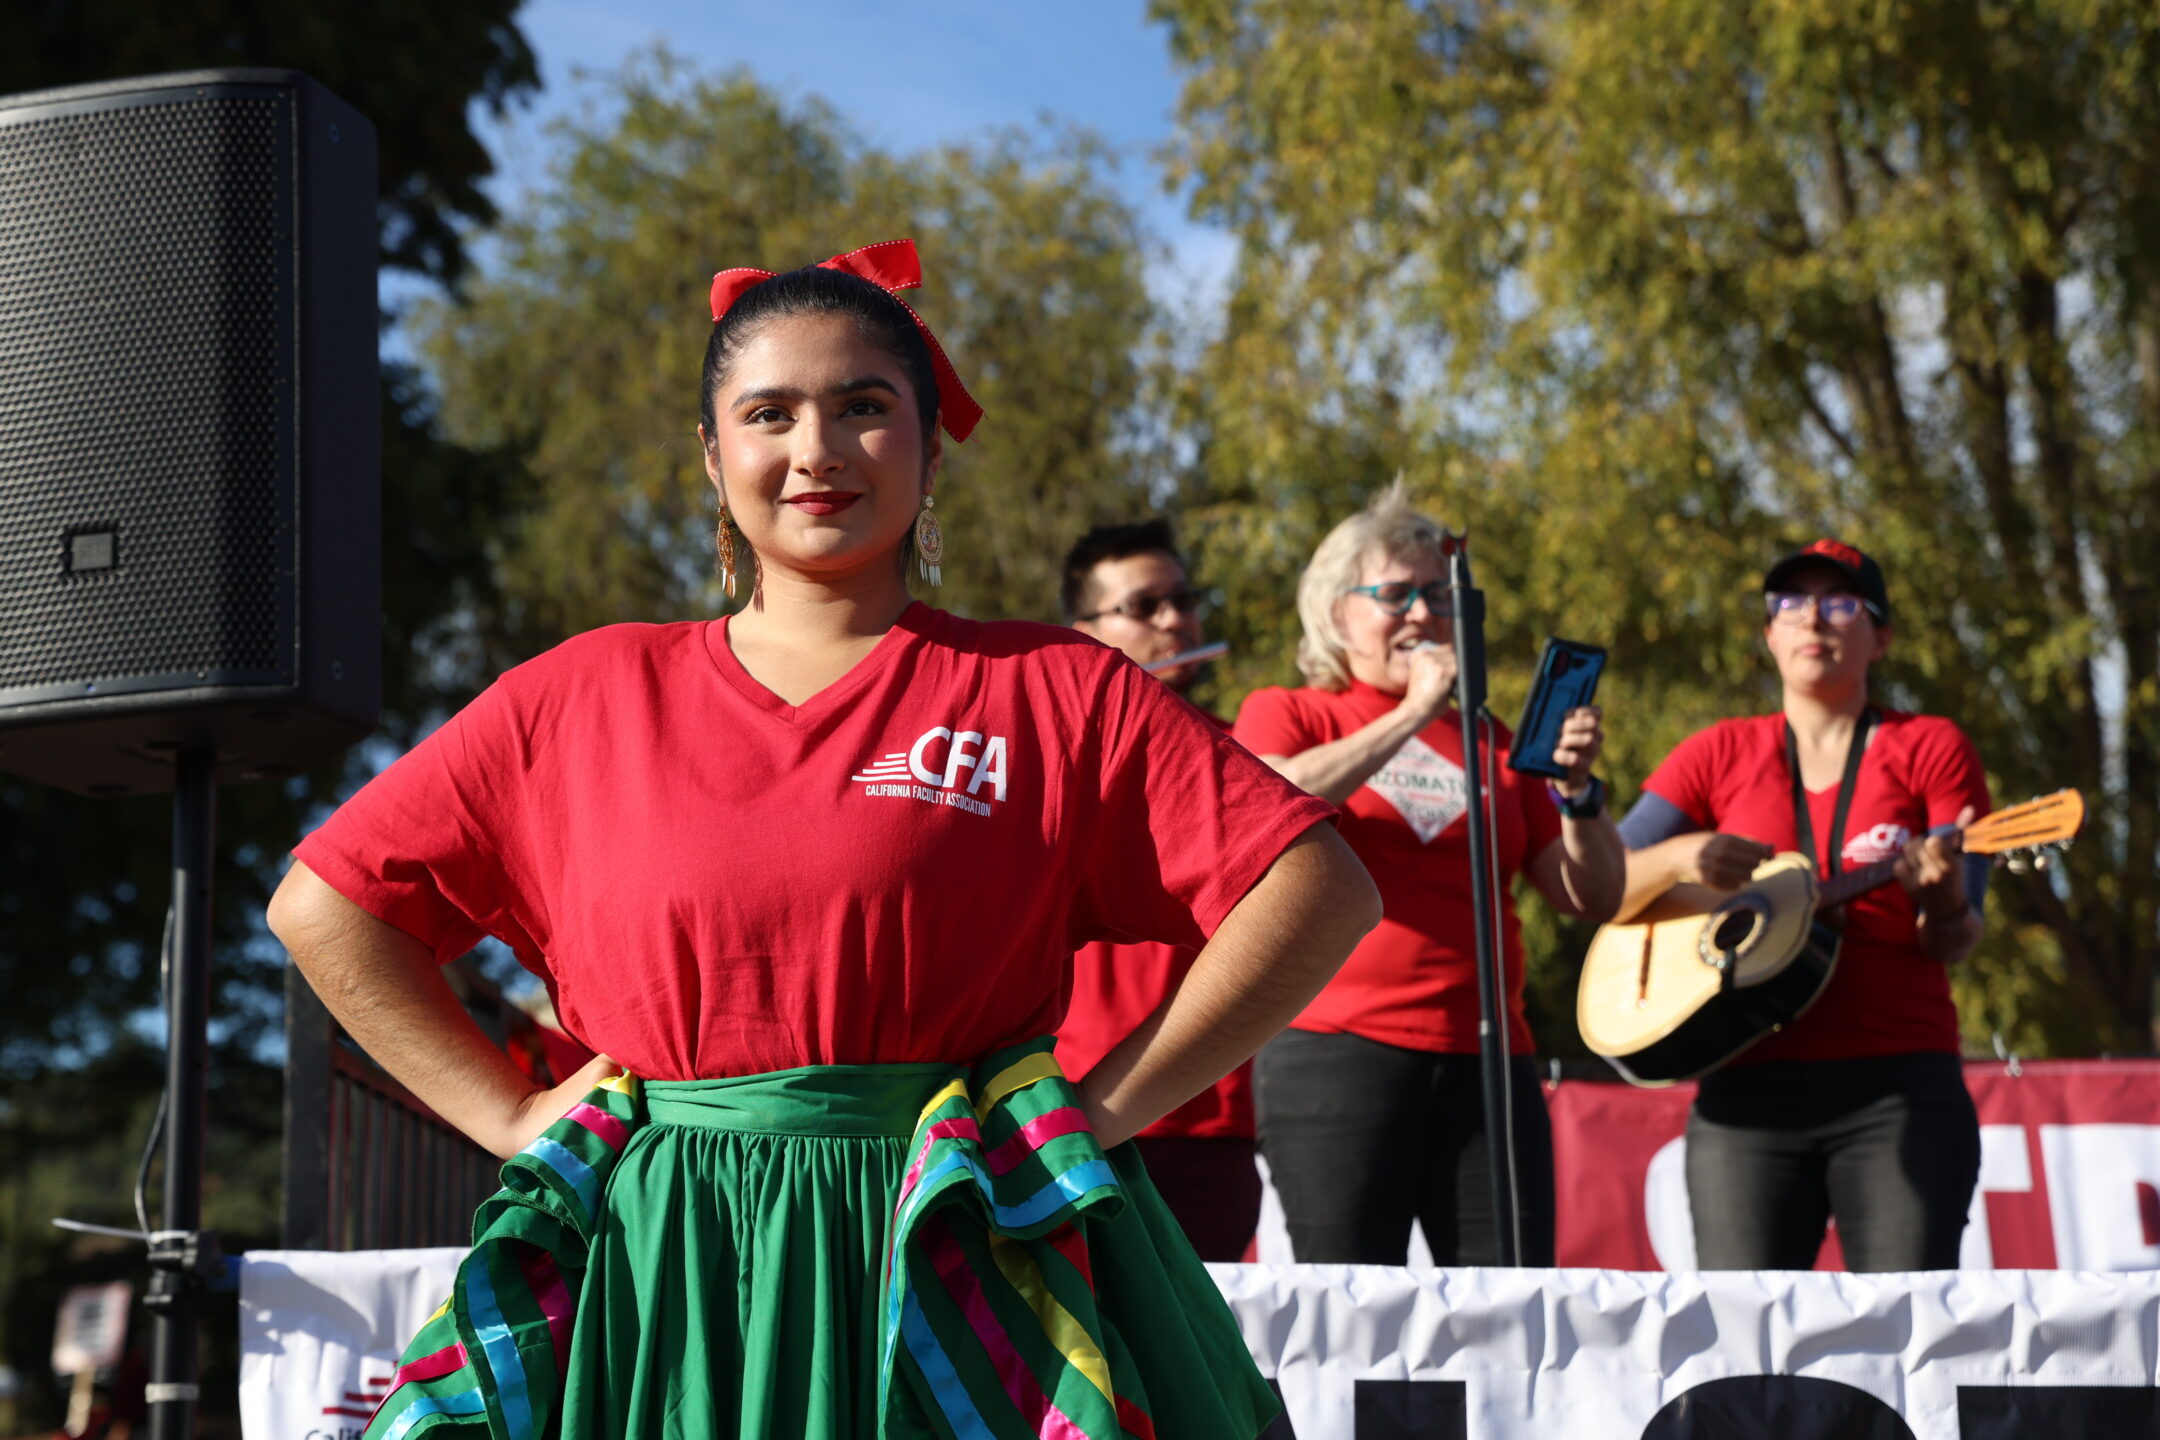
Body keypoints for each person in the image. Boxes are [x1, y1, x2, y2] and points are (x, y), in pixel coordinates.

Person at [266, 242, 1380, 1440]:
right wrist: (508, 1119)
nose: (818, 450)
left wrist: (1104, 1109)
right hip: (669, 1267)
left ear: (931, 445)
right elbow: (326, 906)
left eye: (863, 407)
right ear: (713, 456)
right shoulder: (579, 695)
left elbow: (1315, 889)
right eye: (769, 413)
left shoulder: (1055, 688)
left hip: (969, 1237)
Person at [1230, 481, 1624, 1266]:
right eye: (1396, 594)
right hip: (1337, 1051)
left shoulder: (1493, 739)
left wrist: (1579, 794)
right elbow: (1271, 804)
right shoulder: (1293, 710)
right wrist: (1411, 713)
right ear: (1335, 612)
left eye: (1439, 597)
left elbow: (1593, 894)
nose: (1421, 614)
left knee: (1509, 1314)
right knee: (1348, 1314)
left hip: (1489, 1063)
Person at [1614, 538, 1990, 1272]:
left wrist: (1942, 900)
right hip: (1743, 1089)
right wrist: (1680, 857)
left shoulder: (1930, 746)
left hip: (1898, 1090)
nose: (1814, 618)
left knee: (1905, 1338)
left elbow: (1958, 937)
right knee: (1744, 1347)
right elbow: (1600, 885)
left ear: (1880, 637)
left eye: (1842, 602)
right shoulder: (1715, 753)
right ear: (1768, 635)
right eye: (1790, 603)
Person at [1056, 519, 1258, 1260]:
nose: (1175, 621)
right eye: (1145, 607)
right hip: (1072, 1105)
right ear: (1086, 631)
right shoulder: (1048, 747)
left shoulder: (1246, 751)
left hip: (1211, 1116)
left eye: (1183, 600)